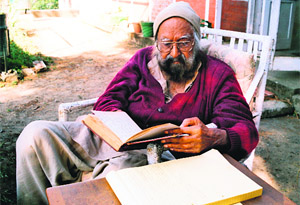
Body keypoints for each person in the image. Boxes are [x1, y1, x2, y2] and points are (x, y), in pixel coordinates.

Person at [16, 1, 258, 204]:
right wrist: (122, 128)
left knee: (120, 175)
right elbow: (107, 100)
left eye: (184, 43)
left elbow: (246, 130)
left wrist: (213, 137)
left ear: (197, 40)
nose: (174, 53)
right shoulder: (143, 59)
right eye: (166, 44)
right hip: (113, 138)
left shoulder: (217, 74)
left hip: (155, 157)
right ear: (156, 44)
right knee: (34, 135)